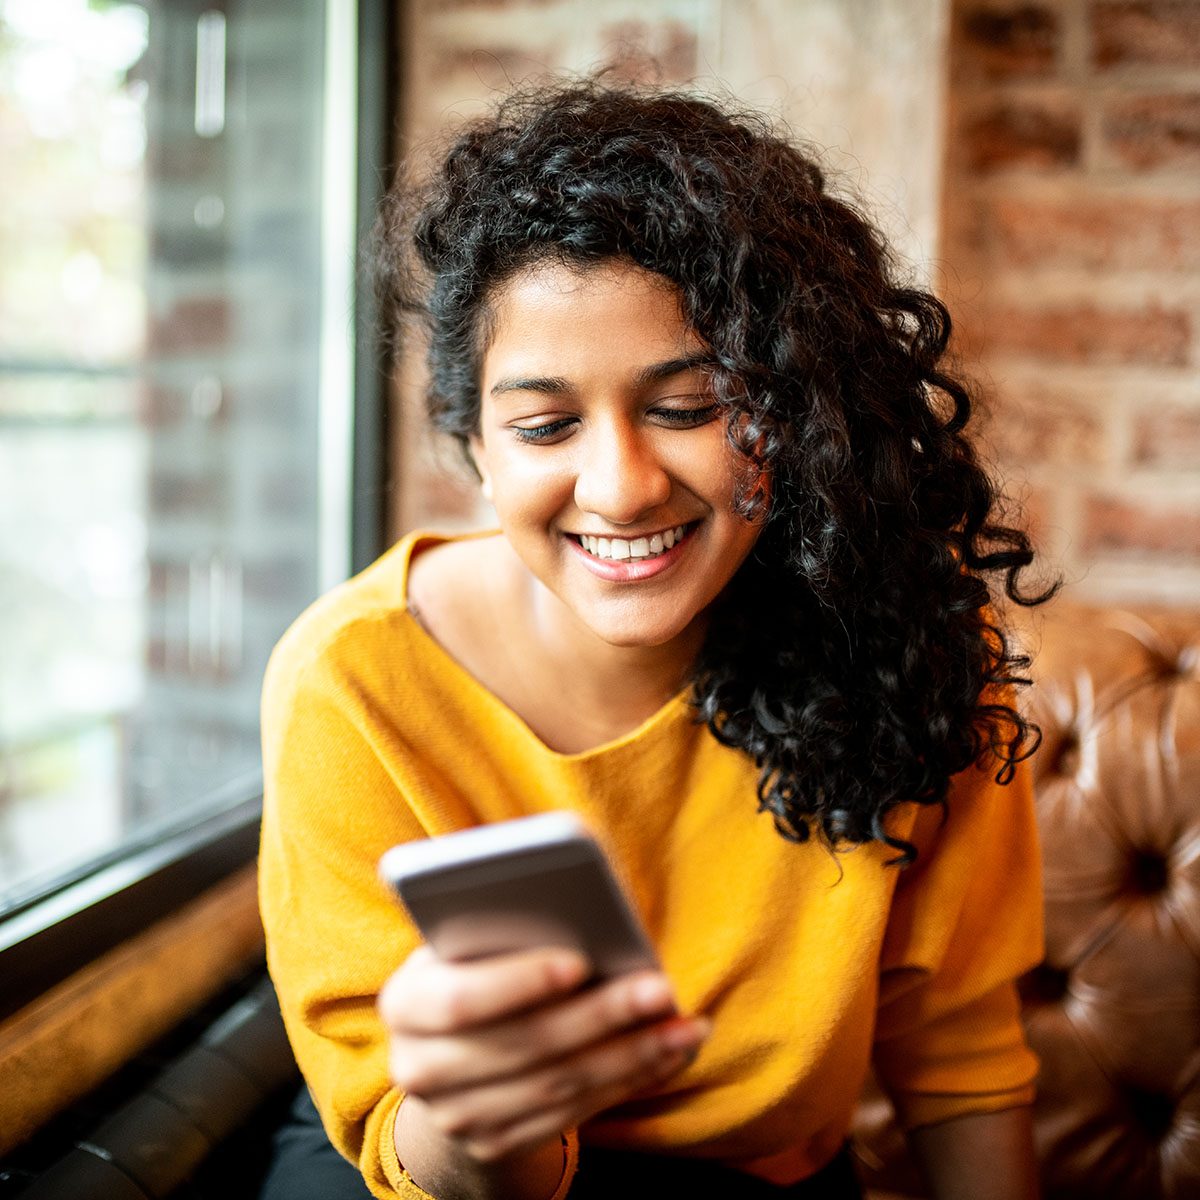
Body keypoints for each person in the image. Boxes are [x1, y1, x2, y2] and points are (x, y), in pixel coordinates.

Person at [257, 79, 1054, 1200]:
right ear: (476, 447)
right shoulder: (355, 680)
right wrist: (486, 1111)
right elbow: (405, 1141)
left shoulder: (907, 638)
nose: (621, 488)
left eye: (688, 406)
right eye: (545, 425)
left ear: (794, 409)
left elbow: (960, 1050)